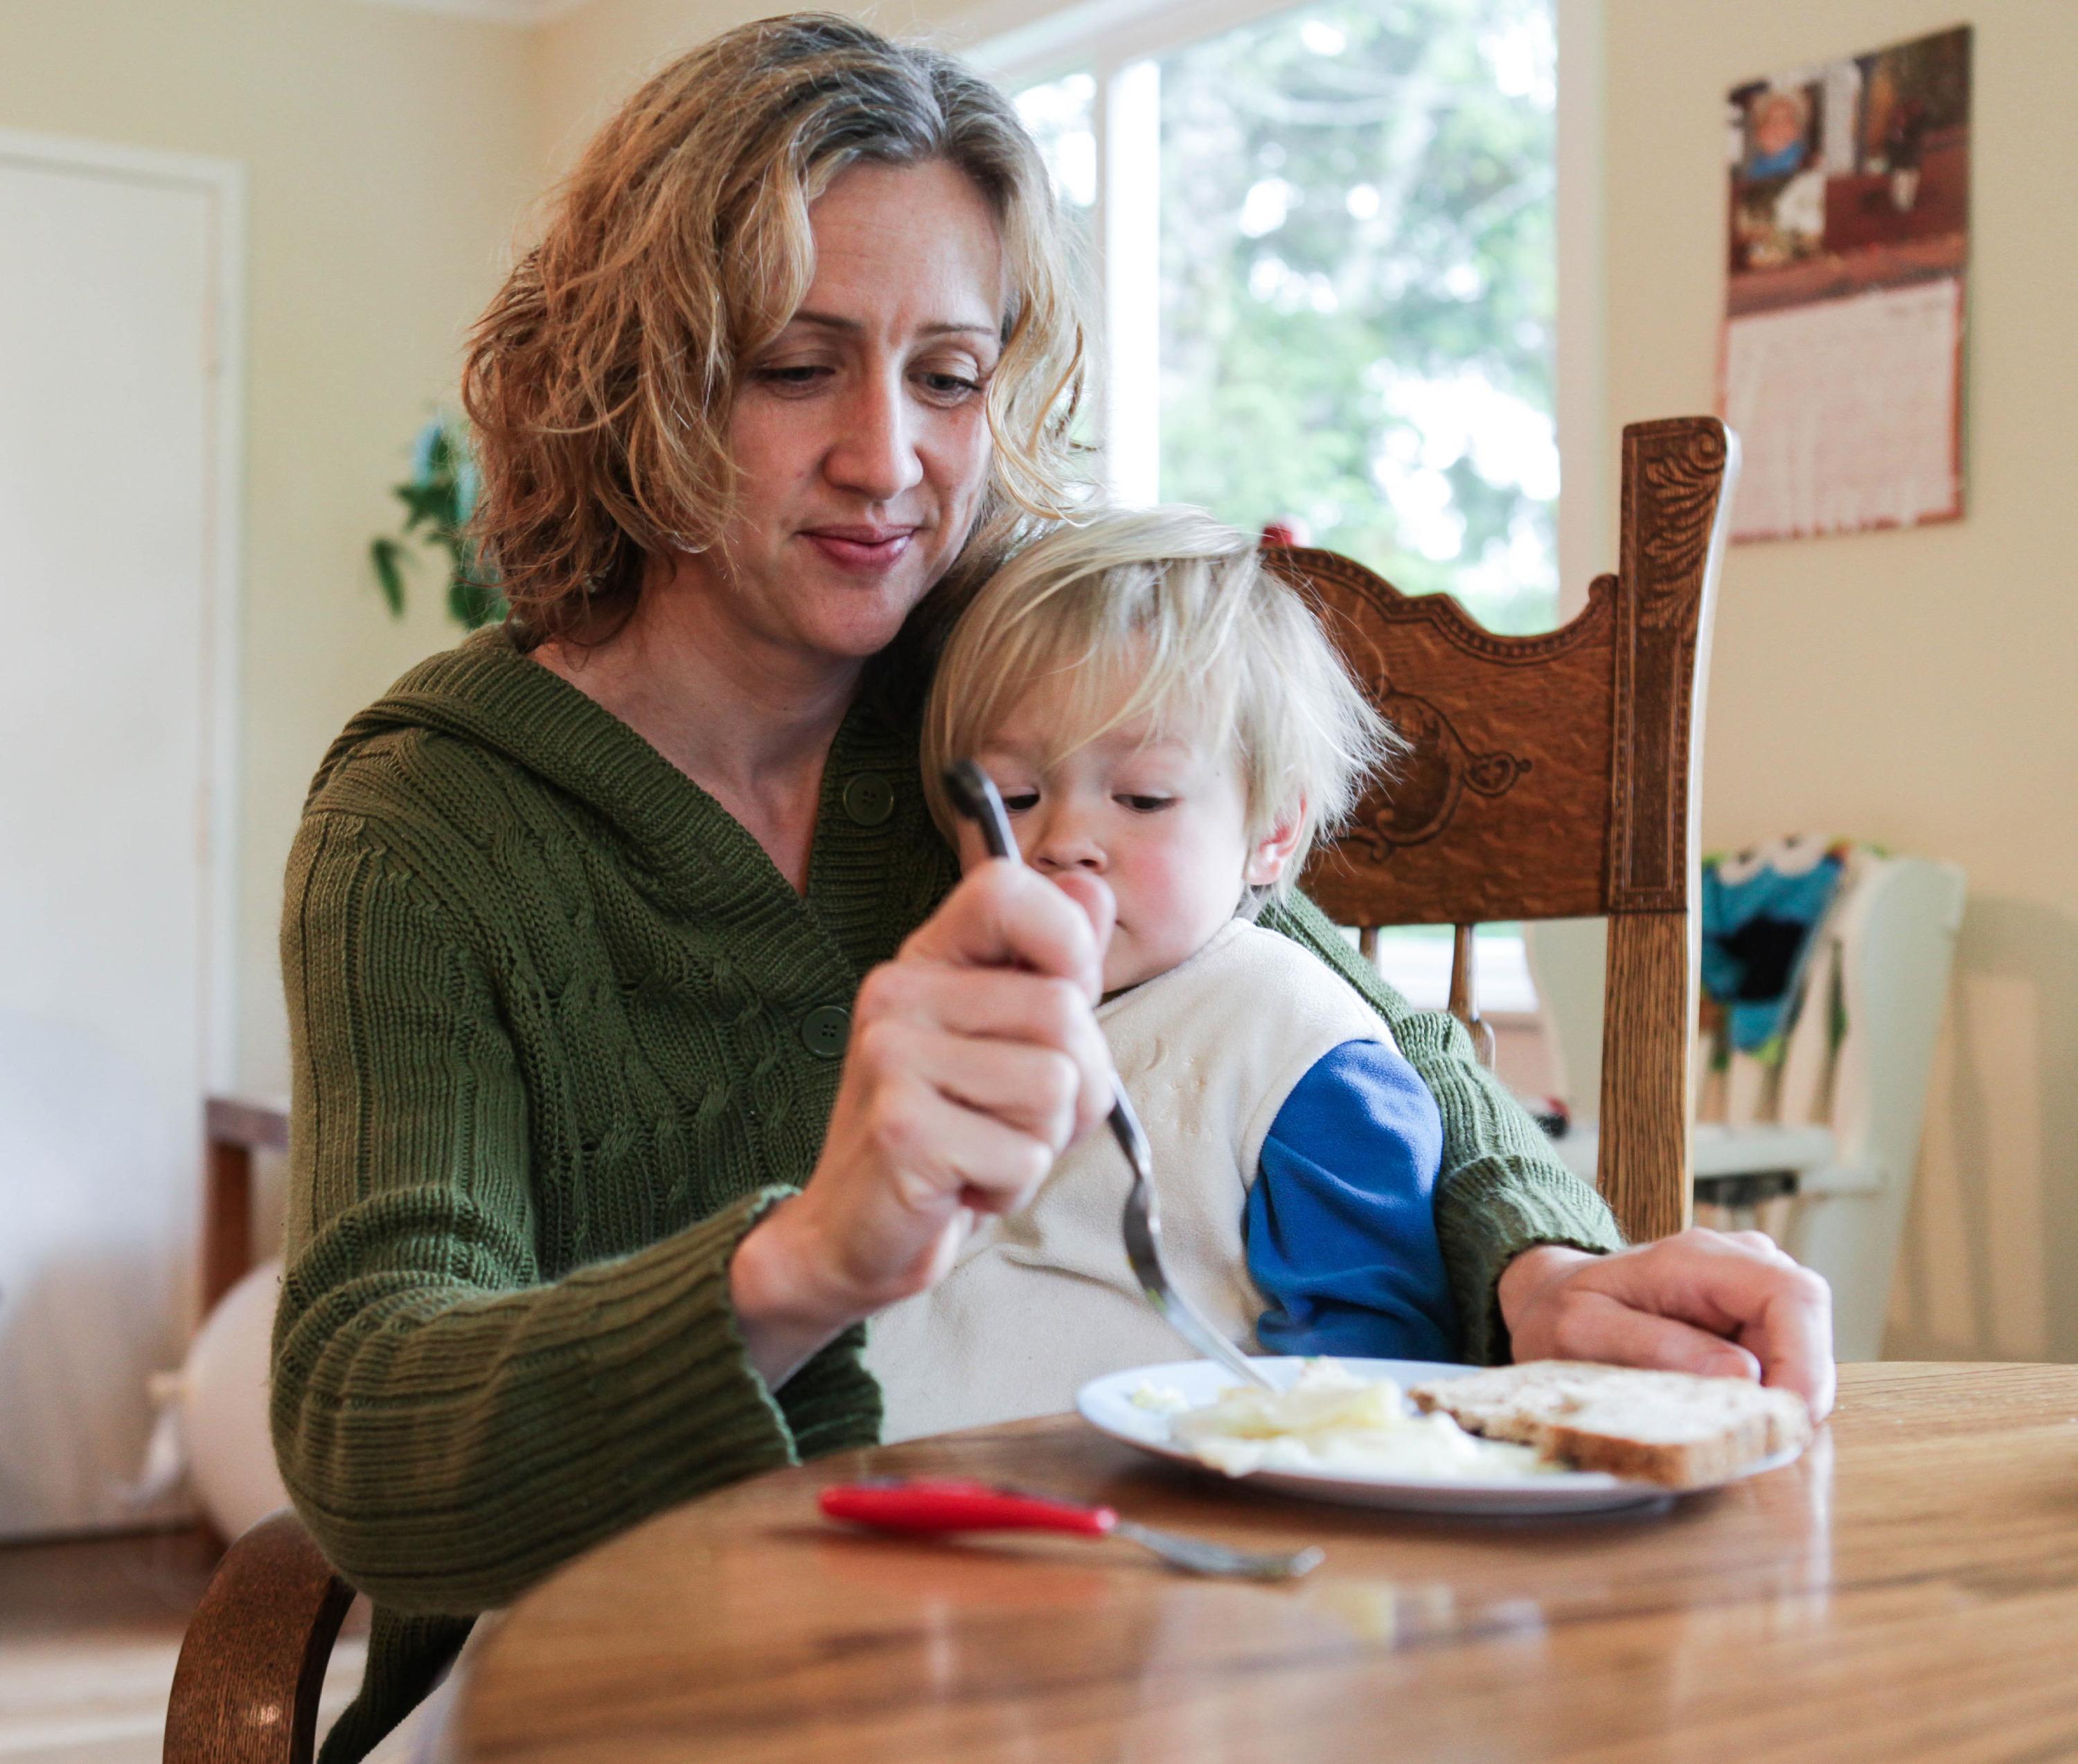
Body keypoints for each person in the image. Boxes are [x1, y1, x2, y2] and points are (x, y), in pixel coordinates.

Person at [269, 16, 1832, 1763]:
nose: (891, 459)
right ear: (636, 374)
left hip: (1065, 1660)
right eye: (798, 364)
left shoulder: (1008, 696)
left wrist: (1540, 1264)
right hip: (633, 1692)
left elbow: (1344, 1015)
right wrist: (796, 1267)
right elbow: (361, 1424)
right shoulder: (432, 826)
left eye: (949, 374)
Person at [866, 506, 1460, 1440]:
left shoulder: (1290, 1035)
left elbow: (1372, 1365)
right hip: (887, 1507)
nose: (1063, 842)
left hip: (1150, 1526)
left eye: (1141, 797)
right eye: (1013, 798)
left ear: (1271, 832)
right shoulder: (946, 1005)